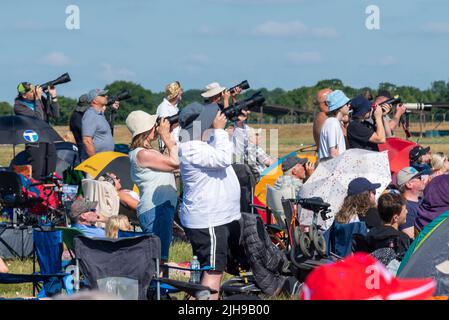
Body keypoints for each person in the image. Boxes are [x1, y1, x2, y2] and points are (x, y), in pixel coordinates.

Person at [178, 102, 244, 300]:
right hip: (209, 220)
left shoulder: (199, 145)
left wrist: (220, 134)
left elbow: (218, 155)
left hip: (213, 217)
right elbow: (223, 159)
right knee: (214, 271)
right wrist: (220, 132)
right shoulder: (192, 148)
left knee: (210, 268)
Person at [126, 110, 178, 261]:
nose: (156, 127)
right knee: (158, 261)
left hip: (159, 208)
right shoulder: (142, 154)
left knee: (160, 259)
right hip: (156, 210)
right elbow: (175, 163)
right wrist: (166, 136)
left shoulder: (146, 152)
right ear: (146, 130)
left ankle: (156, 284)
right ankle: (155, 285)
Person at [14, 82, 60, 180]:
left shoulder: (40, 99)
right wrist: (38, 99)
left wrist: (53, 97)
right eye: (32, 91)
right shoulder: (19, 107)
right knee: (37, 169)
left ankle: (49, 191)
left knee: (51, 166)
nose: (35, 92)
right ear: (24, 95)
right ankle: (36, 192)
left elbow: (55, 115)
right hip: (34, 140)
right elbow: (38, 119)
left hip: (47, 137)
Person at [366, 193, 411, 258]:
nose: (407, 211)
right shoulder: (401, 238)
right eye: (404, 210)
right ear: (395, 218)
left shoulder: (370, 234)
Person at [82, 88, 119, 158]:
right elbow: (87, 141)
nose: (106, 96)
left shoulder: (100, 115)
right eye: (102, 95)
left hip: (104, 159)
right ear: (94, 101)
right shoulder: (90, 115)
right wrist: (94, 160)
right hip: (97, 162)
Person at [397, 166, 430, 239]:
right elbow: (412, 238)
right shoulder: (405, 208)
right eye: (419, 178)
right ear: (409, 184)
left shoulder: (421, 198)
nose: (422, 179)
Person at [318, 90, 350, 160]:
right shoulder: (333, 123)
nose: (349, 105)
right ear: (340, 107)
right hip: (333, 169)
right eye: (347, 103)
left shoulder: (333, 122)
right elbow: (334, 153)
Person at [156, 81, 183, 147]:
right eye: (180, 91)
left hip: (174, 144)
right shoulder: (164, 107)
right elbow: (164, 127)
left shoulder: (175, 108)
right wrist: (181, 120)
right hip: (167, 146)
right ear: (175, 94)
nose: (182, 93)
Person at [69, 94, 89, 161]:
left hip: (83, 148)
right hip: (85, 149)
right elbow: (86, 134)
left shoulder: (75, 115)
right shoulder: (77, 117)